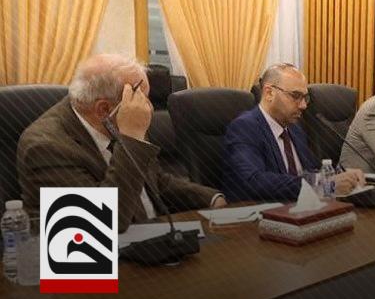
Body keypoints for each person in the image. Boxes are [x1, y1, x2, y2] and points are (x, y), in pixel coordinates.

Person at [17, 54, 226, 233]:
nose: (148, 108)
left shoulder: (121, 121)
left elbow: (155, 182)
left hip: (153, 240)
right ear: (104, 110)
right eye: (140, 99)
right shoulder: (46, 146)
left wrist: (211, 198)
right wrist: (132, 138)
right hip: (95, 258)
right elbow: (104, 224)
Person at [223, 64, 364, 201]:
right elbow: (253, 181)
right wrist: (325, 186)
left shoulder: (294, 129)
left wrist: (343, 175)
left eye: (305, 98)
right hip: (262, 211)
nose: (303, 105)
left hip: (301, 209)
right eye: (295, 96)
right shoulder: (245, 127)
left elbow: (312, 170)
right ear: (269, 93)